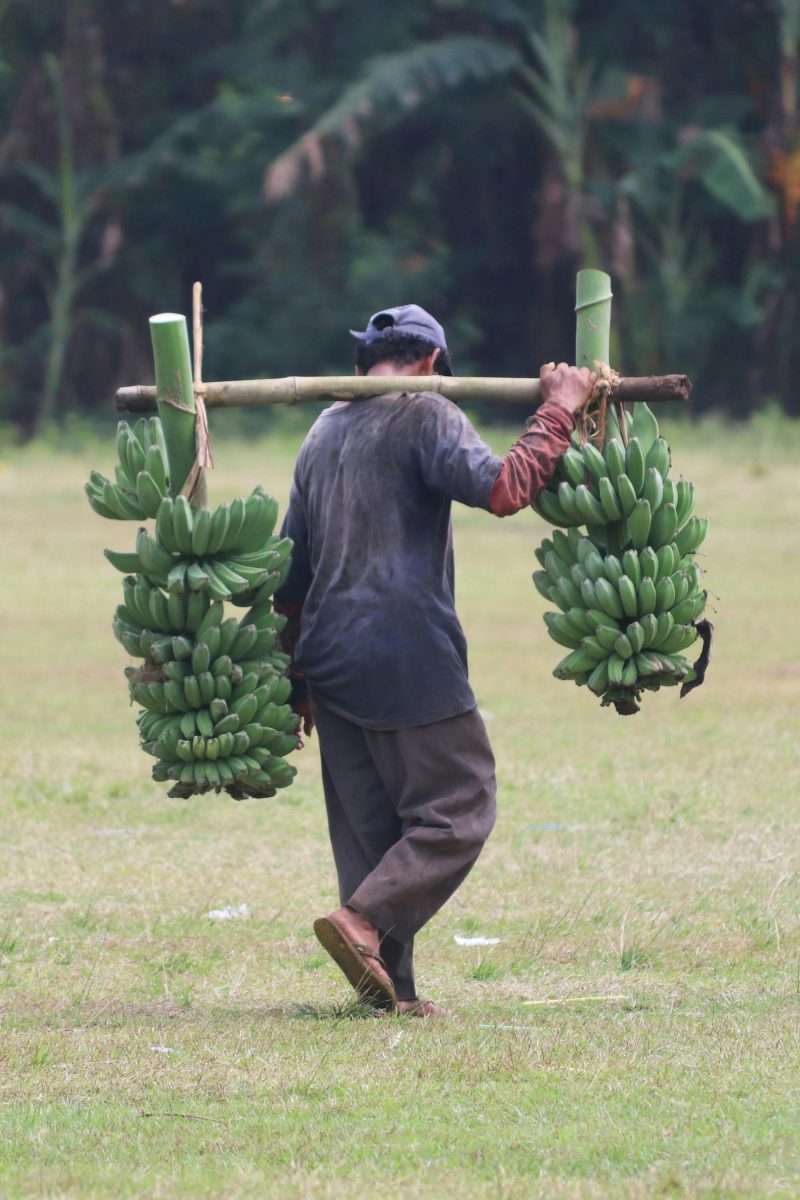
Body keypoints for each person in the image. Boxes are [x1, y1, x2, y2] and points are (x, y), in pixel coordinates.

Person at [274, 304, 595, 1017]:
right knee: (460, 807)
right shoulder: (424, 411)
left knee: (371, 832)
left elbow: (290, 580)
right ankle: (361, 923)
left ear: (366, 362)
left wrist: (294, 683)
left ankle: (393, 992)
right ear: (428, 364)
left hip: (329, 659)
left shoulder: (321, 432)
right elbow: (505, 488)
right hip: (406, 651)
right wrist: (560, 411)